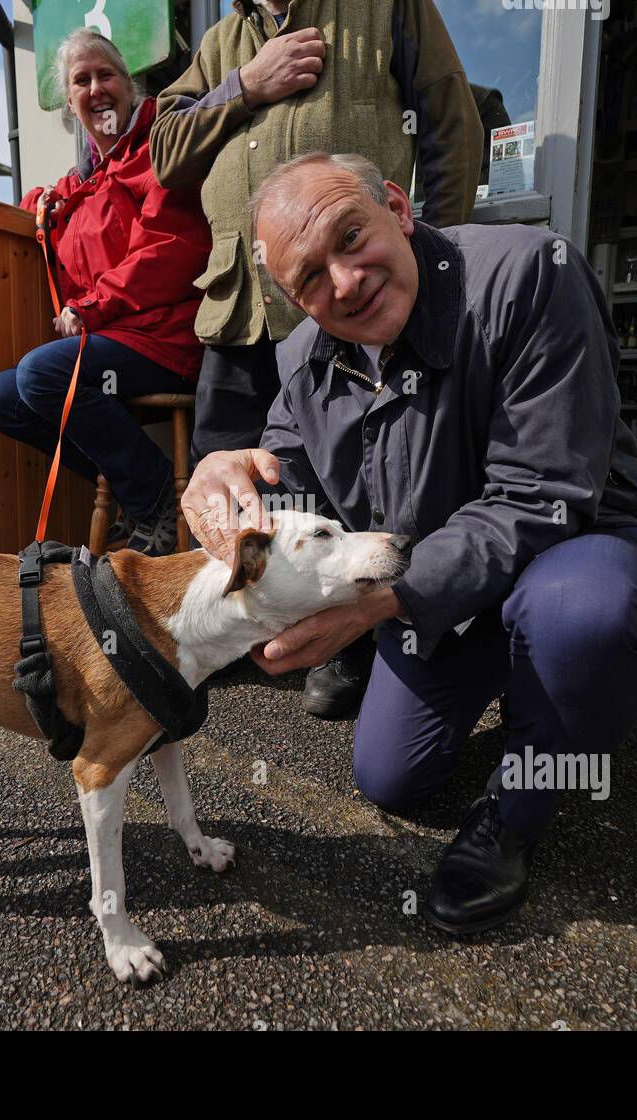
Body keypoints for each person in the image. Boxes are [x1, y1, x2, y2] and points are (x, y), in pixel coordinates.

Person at [181, 152, 637, 936]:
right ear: (292, 301)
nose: (344, 282)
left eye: (352, 237)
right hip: (435, 582)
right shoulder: (300, 359)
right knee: (391, 777)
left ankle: (521, 803)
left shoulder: (529, 273)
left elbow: (542, 495)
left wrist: (379, 606)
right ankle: (523, 677)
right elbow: (293, 488)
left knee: (581, 621)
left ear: (397, 206)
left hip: (575, 538)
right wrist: (222, 471)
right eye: (311, 279)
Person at [151, 0, 481, 705]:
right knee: (247, 485)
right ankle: (242, 630)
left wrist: (437, 266)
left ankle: (352, 637)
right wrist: (245, 84)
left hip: (346, 298)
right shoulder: (221, 41)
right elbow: (166, 152)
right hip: (240, 300)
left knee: (351, 474)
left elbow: (452, 125)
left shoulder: (389, 8)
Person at [0, 29, 211, 555]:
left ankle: (152, 496)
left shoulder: (159, 150)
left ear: (128, 86)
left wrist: (89, 307)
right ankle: (136, 497)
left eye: (106, 74)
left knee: (42, 373)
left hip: (167, 339)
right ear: (70, 103)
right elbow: (48, 209)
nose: (96, 88)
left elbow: (171, 248)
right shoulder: (78, 183)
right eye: (81, 80)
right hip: (115, 344)